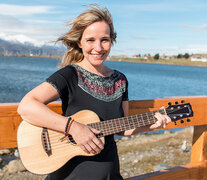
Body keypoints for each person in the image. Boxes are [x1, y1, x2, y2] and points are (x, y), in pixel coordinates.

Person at [17, 4, 171, 180]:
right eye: (91, 40)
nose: (98, 47)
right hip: (70, 174)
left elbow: (122, 128)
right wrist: (74, 128)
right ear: (79, 42)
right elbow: (26, 106)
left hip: (109, 173)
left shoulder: (120, 80)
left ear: (111, 41)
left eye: (104, 40)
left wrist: (151, 124)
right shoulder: (69, 75)